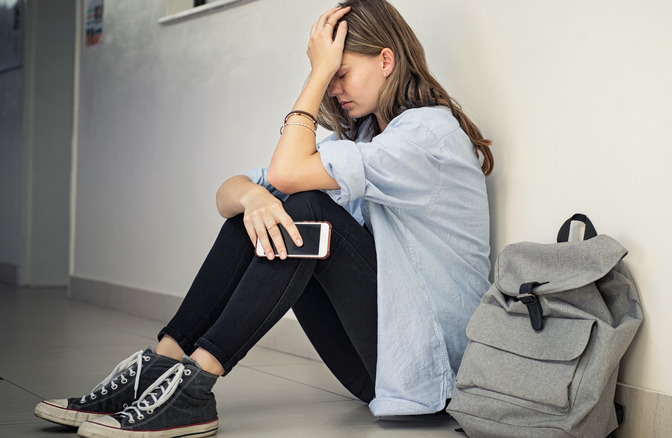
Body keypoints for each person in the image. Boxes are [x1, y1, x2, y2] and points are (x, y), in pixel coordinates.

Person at [34, 1, 494, 437]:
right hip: (380, 368)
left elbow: (287, 173)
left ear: (386, 61)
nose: (333, 88)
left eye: (341, 74)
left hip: (430, 371)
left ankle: (195, 386)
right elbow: (228, 194)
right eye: (328, 77)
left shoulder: (427, 136)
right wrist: (254, 198)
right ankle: (160, 366)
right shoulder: (366, 138)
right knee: (256, 212)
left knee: (307, 210)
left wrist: (316, 74)